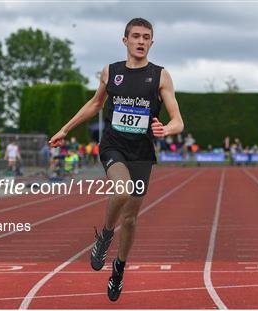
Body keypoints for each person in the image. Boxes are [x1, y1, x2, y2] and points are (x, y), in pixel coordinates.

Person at [49, 17, 184, 302]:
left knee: (132, 218)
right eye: (135, 36)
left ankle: (119, 269)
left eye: (146, 37)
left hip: (142, 152)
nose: (141, 41)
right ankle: (106, 236)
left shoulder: (160, 76)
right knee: (120, 191)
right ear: (125, 40)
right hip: (113, 146)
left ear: (151, 42)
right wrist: (65, 128)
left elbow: (178, 121)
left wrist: (165, 128)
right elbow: (96, 103)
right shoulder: (111, 72)